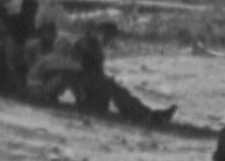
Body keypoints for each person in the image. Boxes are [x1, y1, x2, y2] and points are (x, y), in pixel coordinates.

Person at [41, 20, 174, 126]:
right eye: (109, 36)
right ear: (100, 33)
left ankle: (147, 114)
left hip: (90, 85)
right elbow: (73, 71)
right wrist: (82, 95)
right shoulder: (86, 44)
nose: (109, 40)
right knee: (115, 90)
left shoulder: (93, 45)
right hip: (85, 86)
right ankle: (147, 116)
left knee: (115, 89)